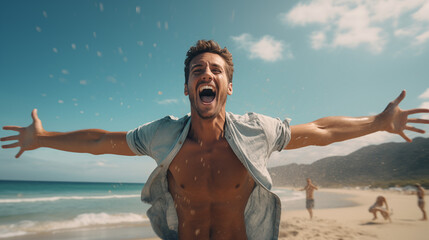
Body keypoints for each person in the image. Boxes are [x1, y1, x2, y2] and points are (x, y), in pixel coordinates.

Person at [2, 40, 429, 240]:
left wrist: (377, 121)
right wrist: (44, 138)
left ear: (227, 87)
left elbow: (320, 131)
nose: (206, 74)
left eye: (216, 70)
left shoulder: (256, 131)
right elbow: (101, 141)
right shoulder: (163, 135)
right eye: (196, 71)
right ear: (187, 88)